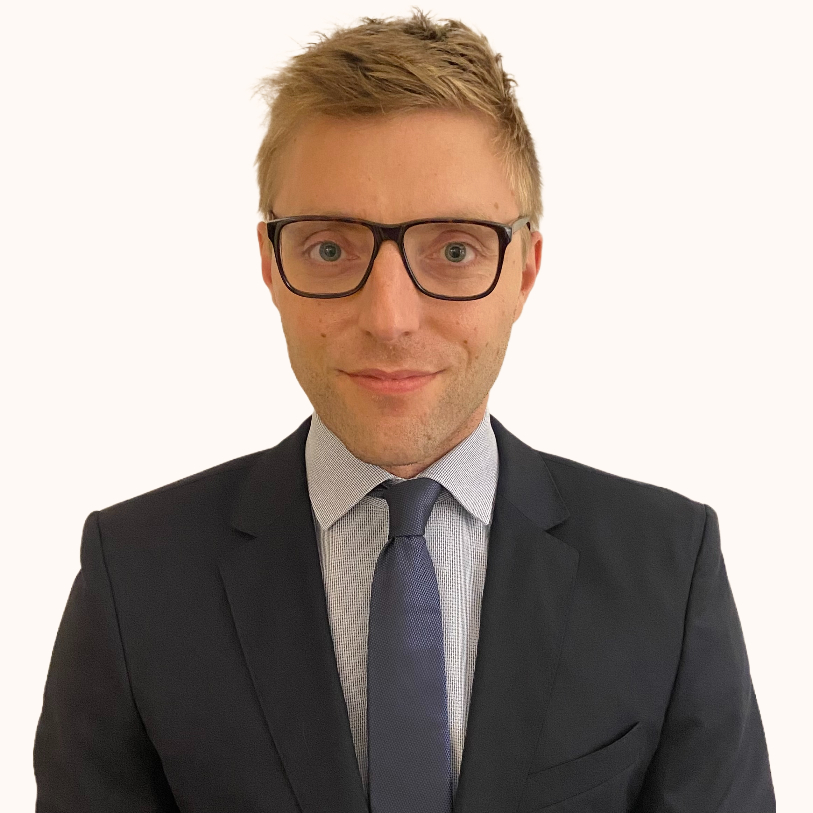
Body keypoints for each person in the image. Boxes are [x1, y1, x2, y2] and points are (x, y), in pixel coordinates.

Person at [33, 10, 775, 812]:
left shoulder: (667, 565)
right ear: (270, 265)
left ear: (524, 271)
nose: (389, 318)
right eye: (329, 248)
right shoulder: (134, 575)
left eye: (454, 249)